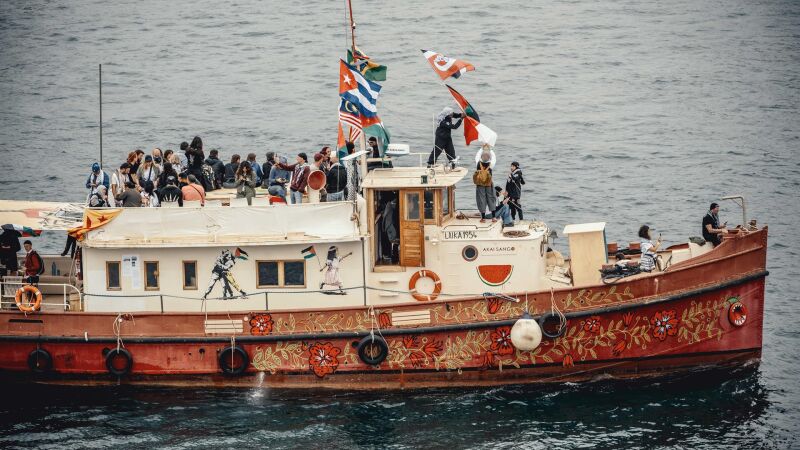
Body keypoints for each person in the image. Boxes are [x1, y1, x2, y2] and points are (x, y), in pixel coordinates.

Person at [474, 151, 495, 222]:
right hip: (489, 184)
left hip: (480, 184)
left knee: (481, 199)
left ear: (481, 157)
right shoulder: (491, 164)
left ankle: (483, 218)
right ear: (489, 157)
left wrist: (482, 148)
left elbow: (477, 156)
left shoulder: (478, 163)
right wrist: (490, 149)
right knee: (491, 198)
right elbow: (494, 157)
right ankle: (493, 217)